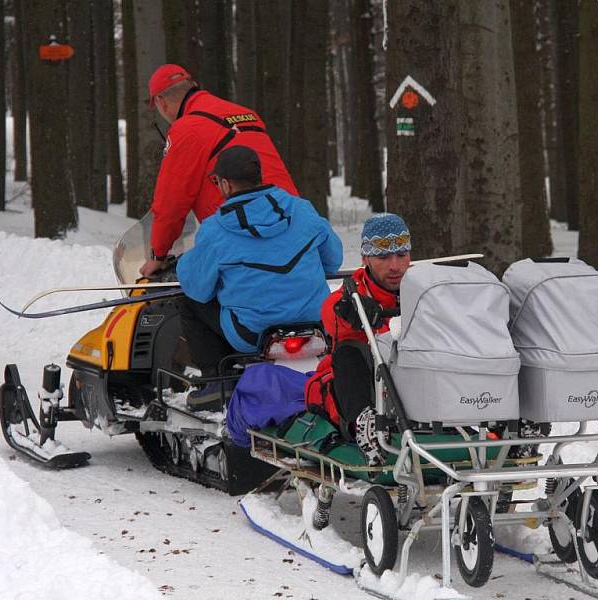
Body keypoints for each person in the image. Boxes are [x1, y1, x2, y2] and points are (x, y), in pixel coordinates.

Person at [176, 145, 343, 411]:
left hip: (252, 335)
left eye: (216, 182)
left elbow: (198, 289)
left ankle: (216, 381)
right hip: (315, 325)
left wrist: (184, 264)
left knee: (187, 302)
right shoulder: (302, 210)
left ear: (226, 184)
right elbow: (333, 261)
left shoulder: (215, 229)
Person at [141, 64, 298, 277]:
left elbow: (171, 202)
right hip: (293, 226)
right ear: (193, 85)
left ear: (161, 102)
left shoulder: (187, 129)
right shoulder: (245, 114)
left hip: (243, 240)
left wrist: (158, 254)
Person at [306, 213, 412, 465]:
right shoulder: (354, 293)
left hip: (417, 384)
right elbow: (332, 313)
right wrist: (351, 310)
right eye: (383, 257)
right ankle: (366, 425)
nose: (395, 266)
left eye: (402, 255)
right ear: (365, 258)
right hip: (362, 387)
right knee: (348, 351)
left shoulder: (423, 288)